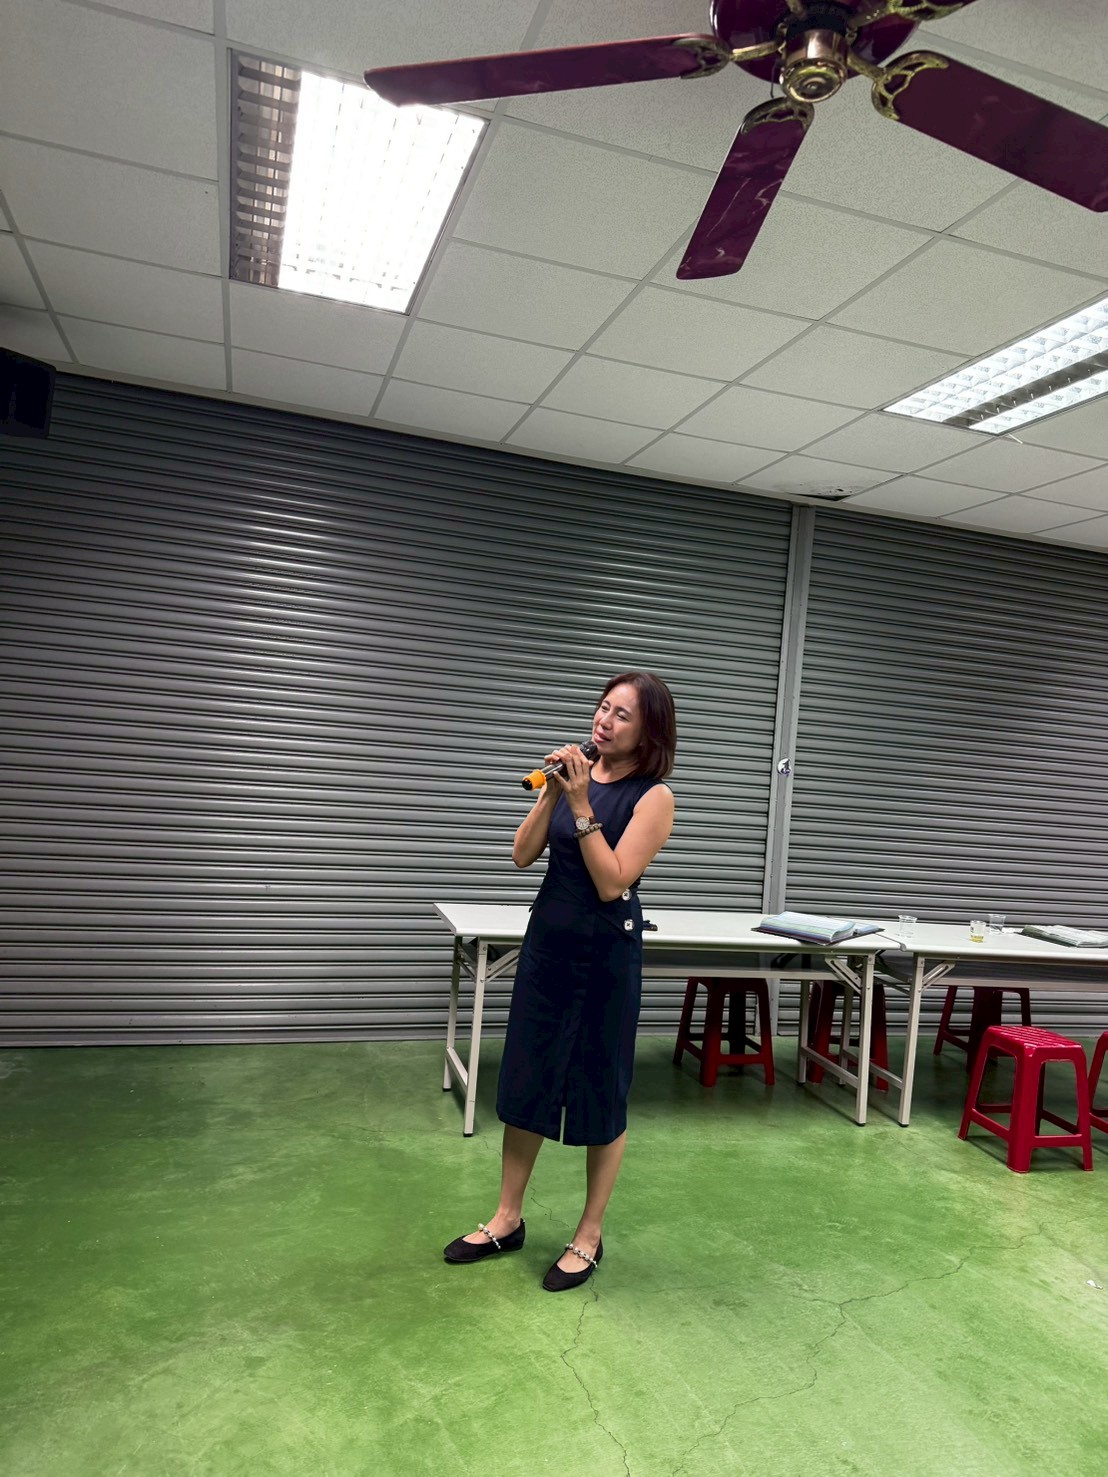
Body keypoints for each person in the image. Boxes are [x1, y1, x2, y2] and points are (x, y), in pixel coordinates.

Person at [443, 671, 677, 1291]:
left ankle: (589, 1235)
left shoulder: (654, 798)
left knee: (601, 1088)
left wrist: (579, 804)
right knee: (527, 1076)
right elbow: (522, 854)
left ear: (649, 730)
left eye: (623, 714)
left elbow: (613, 881)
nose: (605, 721)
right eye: (603, 707)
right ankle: (507, 1218)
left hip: (606, 956)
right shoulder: (572, 779)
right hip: (548, 947)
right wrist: (552, 793)